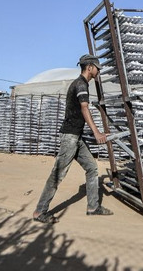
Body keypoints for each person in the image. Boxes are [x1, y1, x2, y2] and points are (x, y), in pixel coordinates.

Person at [33, 54, 112, 223]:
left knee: (92, 168)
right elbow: (84, 108)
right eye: (97, 68)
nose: (98, 71)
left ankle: (93, 207)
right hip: (70, 137)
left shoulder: (80, 84)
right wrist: (97, 133)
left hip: (76, 136)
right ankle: (40, 212)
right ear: (89, 67)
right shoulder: (80, 84)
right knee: (58, 174)